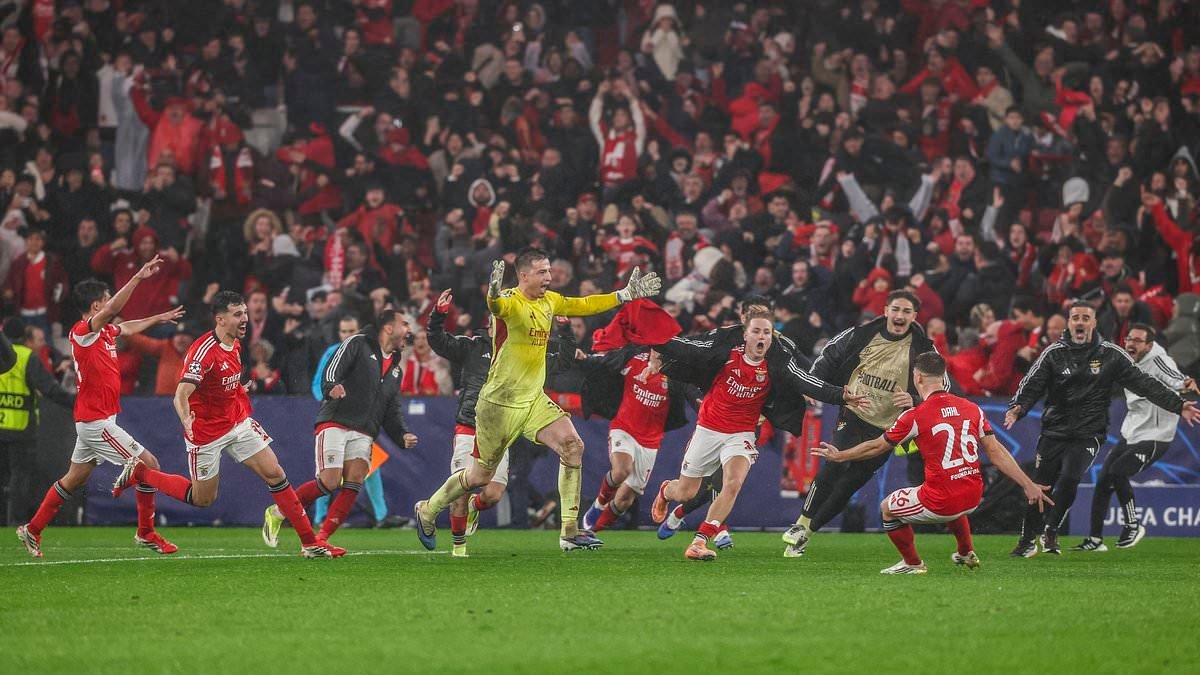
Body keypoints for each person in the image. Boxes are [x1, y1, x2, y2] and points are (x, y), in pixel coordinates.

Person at [412, 248, 661, 552]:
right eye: (542, 272)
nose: (549, 277)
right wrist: (492, 294)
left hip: (532, 400)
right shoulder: (510, 300)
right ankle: (428, 509)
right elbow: (497, 306)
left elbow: (583, 304)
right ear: (524, 275)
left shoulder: (549, 301)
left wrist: (623, 295)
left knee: (573, 446)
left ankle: (569, 532)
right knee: (479, 476)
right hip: (498, 405)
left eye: (549, 270)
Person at [113, 291, 343, 559]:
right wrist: (186, 418)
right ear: (220, 319)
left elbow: (220, 384)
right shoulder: (203, 353)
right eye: (237, 314)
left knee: (275, 473)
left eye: (245, 313)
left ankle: (310, 543)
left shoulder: (235, 343)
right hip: (206, 432)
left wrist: (236, 390)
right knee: (203, 499)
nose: (244, 319)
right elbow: (181, 394)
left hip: (236, 421)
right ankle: (141, 473)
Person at [649, 308, 866, 561]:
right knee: (685, 493)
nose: (761, 336)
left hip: (742, 432)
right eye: (756, 331)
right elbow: (688, 349)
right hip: (708, 428)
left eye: (767, 332)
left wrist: (840, 395)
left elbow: (805, 380)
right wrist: (652, 339)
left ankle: (699, 542)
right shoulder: (724, 352)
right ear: (745, 335)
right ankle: (666, 492)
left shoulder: (777, 361)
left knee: (733, 483)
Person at [813, 351, 1053, 574]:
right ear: (943, 377)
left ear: (917, 377)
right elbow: (997, 451)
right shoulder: (972, 408)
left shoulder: (915, 415)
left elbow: (877, 446)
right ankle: (965, 551)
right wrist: (1028, 484)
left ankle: (912, 563)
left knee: (887, 509)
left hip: (942, 501)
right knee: (952, 494)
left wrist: (840, 455)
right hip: (973, 496)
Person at [1005, 303, 1199, 557]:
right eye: (1076, 317)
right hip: (1055, 430)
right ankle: (1027, 540)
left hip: (1089, 433)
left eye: (1086, 318)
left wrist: (1178, 405)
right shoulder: (1053, 353)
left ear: (1094, 323)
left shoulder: (1111, 354)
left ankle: (1051, 529)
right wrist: (1018, 407)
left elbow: (1145, 383)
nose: (1080, 322)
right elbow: (1033, 383)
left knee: (1070, 478)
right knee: (1041, 486)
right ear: (1069, 323)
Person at [15, 261, 182, 558]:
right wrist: (137, 278)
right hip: (96, 422)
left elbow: (127, 326)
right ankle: (146, 532)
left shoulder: (105, 332)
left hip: (95, 419)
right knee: (150, 465)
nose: (111, 304)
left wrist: (157, 318)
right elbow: (113, 310)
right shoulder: (83, 331)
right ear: (96, 306)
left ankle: (33, 529)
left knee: (73, 479)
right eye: (106, 300)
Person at [782, 290, 941, 558]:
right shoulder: (862, 334)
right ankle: (801, 522)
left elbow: (941, 386)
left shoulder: (924, 349)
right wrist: (813, 384)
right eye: (895, 309)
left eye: (906, 311)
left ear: (914, 316)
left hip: (888, 428)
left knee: (849, 485)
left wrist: (914, 399)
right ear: (886, 310)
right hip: (854, 413)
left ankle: (806, 534)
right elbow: (830, 354)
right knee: (835, 463)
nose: (900, 316)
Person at [262, 309, 417, 546]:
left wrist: (401, 434)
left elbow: (391, 408)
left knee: (355, 482)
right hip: (336, 420)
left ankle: (321, 540)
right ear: (388, 328)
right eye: (404, 324)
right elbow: (332, 368)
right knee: (329, 481)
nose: (409, 330)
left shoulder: (396, 370)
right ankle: (278, 512)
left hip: (364, 430)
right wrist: (331, 386)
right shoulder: (358, 343)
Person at [1074, 324, 1200, 552]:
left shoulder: (1158, 359)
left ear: (1149, 346)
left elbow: (1174, 376)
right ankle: (1095, 540)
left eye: (1138, 341)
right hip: (1132, 431)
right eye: (1129, 339)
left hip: (1156, 435)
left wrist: (1185, 382)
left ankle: (1133, 525)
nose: (1131, 344)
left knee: (1119, 472)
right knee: (1103, 480)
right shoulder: (1123, 359)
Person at [577, 345, 700, 536]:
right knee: (621, 470)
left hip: (650, 441)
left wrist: (702, 404)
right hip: (624, 428)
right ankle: (598, 505)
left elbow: (692, 391)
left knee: (624, 500)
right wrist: (585, 359)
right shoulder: (633, 359)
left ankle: (591, 533)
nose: (660, 353)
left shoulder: (675, 374)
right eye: (657, 348)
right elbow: (606, 362)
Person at [425, 290, 511, 558]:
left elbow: (556, 364)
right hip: (469, 425)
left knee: (493, 495)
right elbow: (438, 342)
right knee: (462, 488)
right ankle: (459, 547)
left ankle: (474, 507)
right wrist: (438, 315)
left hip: (500, 431)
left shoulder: (518, 354)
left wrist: (565, 334)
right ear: (490, 323)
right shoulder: (473, 346)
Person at [307, 315, 392, 528]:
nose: (347, 335)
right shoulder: (332, 352)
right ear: (339, 333)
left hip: (359, 419)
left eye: (351, 331)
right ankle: (320, 517)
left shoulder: (368, 352)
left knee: (369, 464)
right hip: (335, 418)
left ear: (358, 330)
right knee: (329, 471)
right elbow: (317, 383)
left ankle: (381, 516)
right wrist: (329, 398)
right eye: (344, 331)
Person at [1, 318, 74, 527]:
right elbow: (49, 389)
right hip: (21, 428)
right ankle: (14, 521)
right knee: (19, 479)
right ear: (24, 337)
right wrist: (77, 402)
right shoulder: (26, 357)